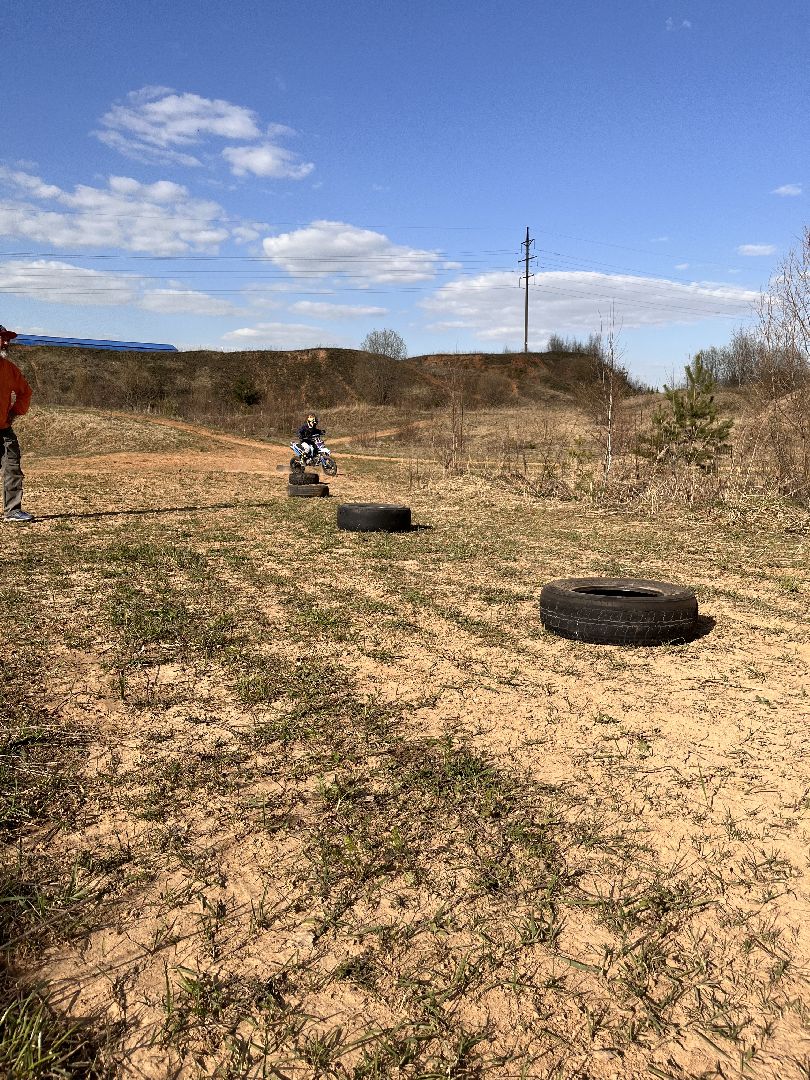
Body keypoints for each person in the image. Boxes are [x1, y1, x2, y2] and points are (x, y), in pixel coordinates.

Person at [0, 326, 34, 523]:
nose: (6, 342)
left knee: (13, 468)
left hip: (4, 429)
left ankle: (12, 511)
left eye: (7, 339)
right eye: (2, 338)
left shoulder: (9, 368)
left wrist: (15, 412)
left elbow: (25, 392)